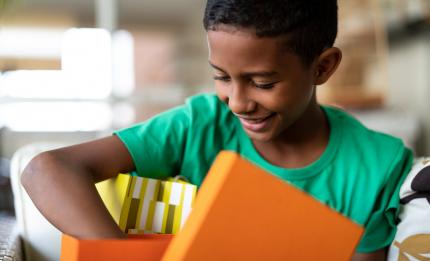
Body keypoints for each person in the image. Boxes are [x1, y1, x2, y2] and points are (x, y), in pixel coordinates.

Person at [21, 0, 413, 260]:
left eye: (262, 83)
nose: (238, 102)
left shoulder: (378, 165)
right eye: (222, 77)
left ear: (323, 67)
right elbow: (46, 170)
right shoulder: (200, 125)